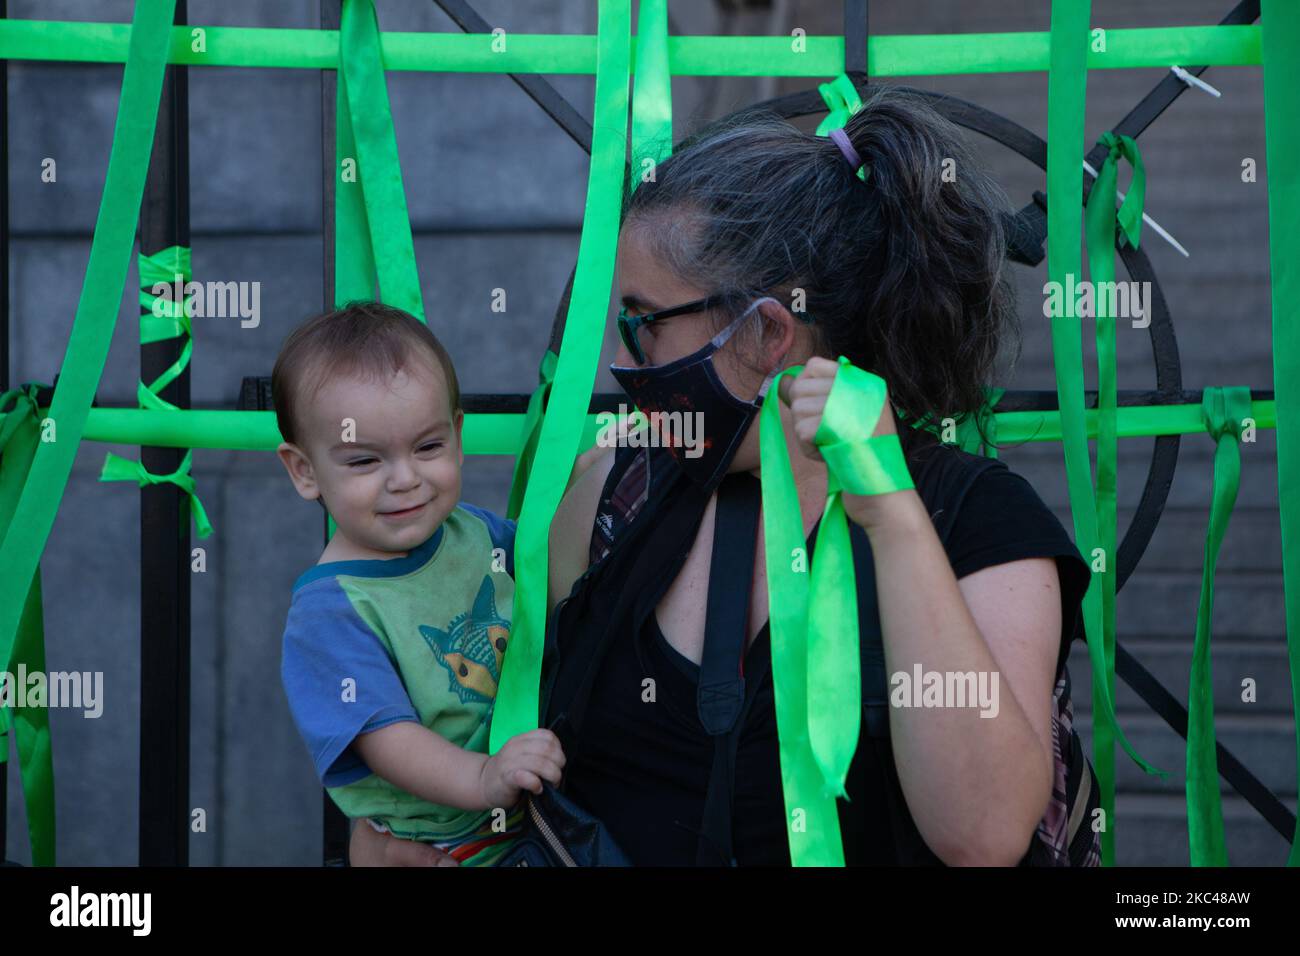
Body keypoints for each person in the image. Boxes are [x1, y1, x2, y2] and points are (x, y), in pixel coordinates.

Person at [350, 87, 1095, 867]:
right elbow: (531, 767)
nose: (627, 359)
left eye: (645, 324)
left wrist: (892, 515)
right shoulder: (613, 493)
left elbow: (981, 836)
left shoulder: (973, 521)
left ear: (767, 331)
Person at [275, 301, 564, 866]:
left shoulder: (476, 531)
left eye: (428, 447)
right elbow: (388, 740)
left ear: (457, 436)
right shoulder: (332, 611)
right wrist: (484, 775)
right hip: (437, 838)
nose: (405, 479)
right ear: (305, 470)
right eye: (364, 461)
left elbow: (555, 579)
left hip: (526, 812)